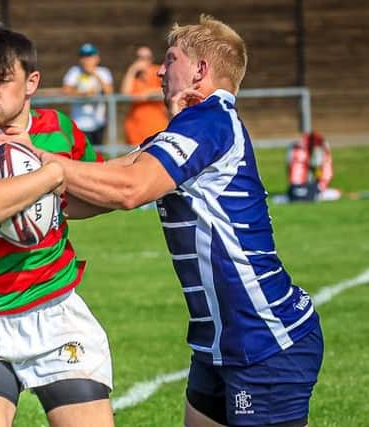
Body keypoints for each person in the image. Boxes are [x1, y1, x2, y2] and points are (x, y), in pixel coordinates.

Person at [23, 15, 322, 427]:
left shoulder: (211, 123)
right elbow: (103, 186)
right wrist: (16, 193)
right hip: (219, 343)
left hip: (265, 341)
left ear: (200, 70)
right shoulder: (186, 128)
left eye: (171, 59)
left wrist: (49, 166)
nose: (161, 70)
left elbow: (129, 189)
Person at [0, 18, 113, 427]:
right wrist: (50, 175)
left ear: (31, 82)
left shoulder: (60, 131)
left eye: (2, 81)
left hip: (55, 309)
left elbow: (98, 195)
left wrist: (58, 188)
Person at [62, 43, 113, 147]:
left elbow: (109, 92)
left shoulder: (103, 72)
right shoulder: (74, 71)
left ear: (97, 58)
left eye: (90, 56)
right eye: (83, 56)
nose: (86, 60)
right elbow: (66, 91)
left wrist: (94, 73)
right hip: (79, 123)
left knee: (98, 154)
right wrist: (83, 94)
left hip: (98, 122)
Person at [121, 45, 168, 145]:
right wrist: (132, 70)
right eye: (140, 58)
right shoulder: (133, 77)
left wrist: (148, 94)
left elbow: (166, 89)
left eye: (147, 58)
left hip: (157, 125)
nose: (144, 61)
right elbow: (124, 95)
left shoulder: (158, 71)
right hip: (135, 127)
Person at [287, 131, 339, 202]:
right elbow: (320, 172)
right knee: (335, 193)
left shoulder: (293, 148)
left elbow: (289, 169)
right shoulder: (317, 150)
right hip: (310, 189)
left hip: (293, 188)